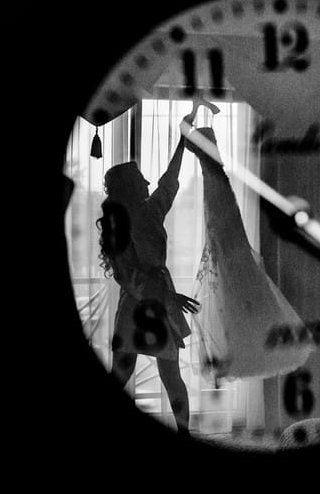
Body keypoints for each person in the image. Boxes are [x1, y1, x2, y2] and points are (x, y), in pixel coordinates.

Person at [97, 136, 199, 435]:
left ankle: (185, 434)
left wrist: (183, 140)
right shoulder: (118, 224)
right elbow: (127, 278)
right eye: (142, 178)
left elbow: (170, 181)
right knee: (122, 373)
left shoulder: (152, 209)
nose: (148, 181)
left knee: (171, 375)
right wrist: (169, 296)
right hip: (136, 308)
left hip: (160, 305)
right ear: (130, 186)